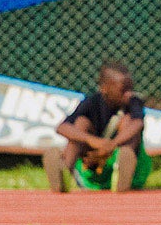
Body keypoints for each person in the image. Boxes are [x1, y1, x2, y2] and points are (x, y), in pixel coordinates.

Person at [45, 62, 150, 193]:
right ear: (104, 88)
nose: (128, 94)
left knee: (129, 121)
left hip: (121, 158)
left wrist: (112, 145)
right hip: (93, 163)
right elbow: (62, 127)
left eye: (131, 88)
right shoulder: (92, 102)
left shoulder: (134, 101)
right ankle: (65, 169)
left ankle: (123, 170)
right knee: (81, 122)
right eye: (123, 90)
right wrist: (93, 141)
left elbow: (138, 123)